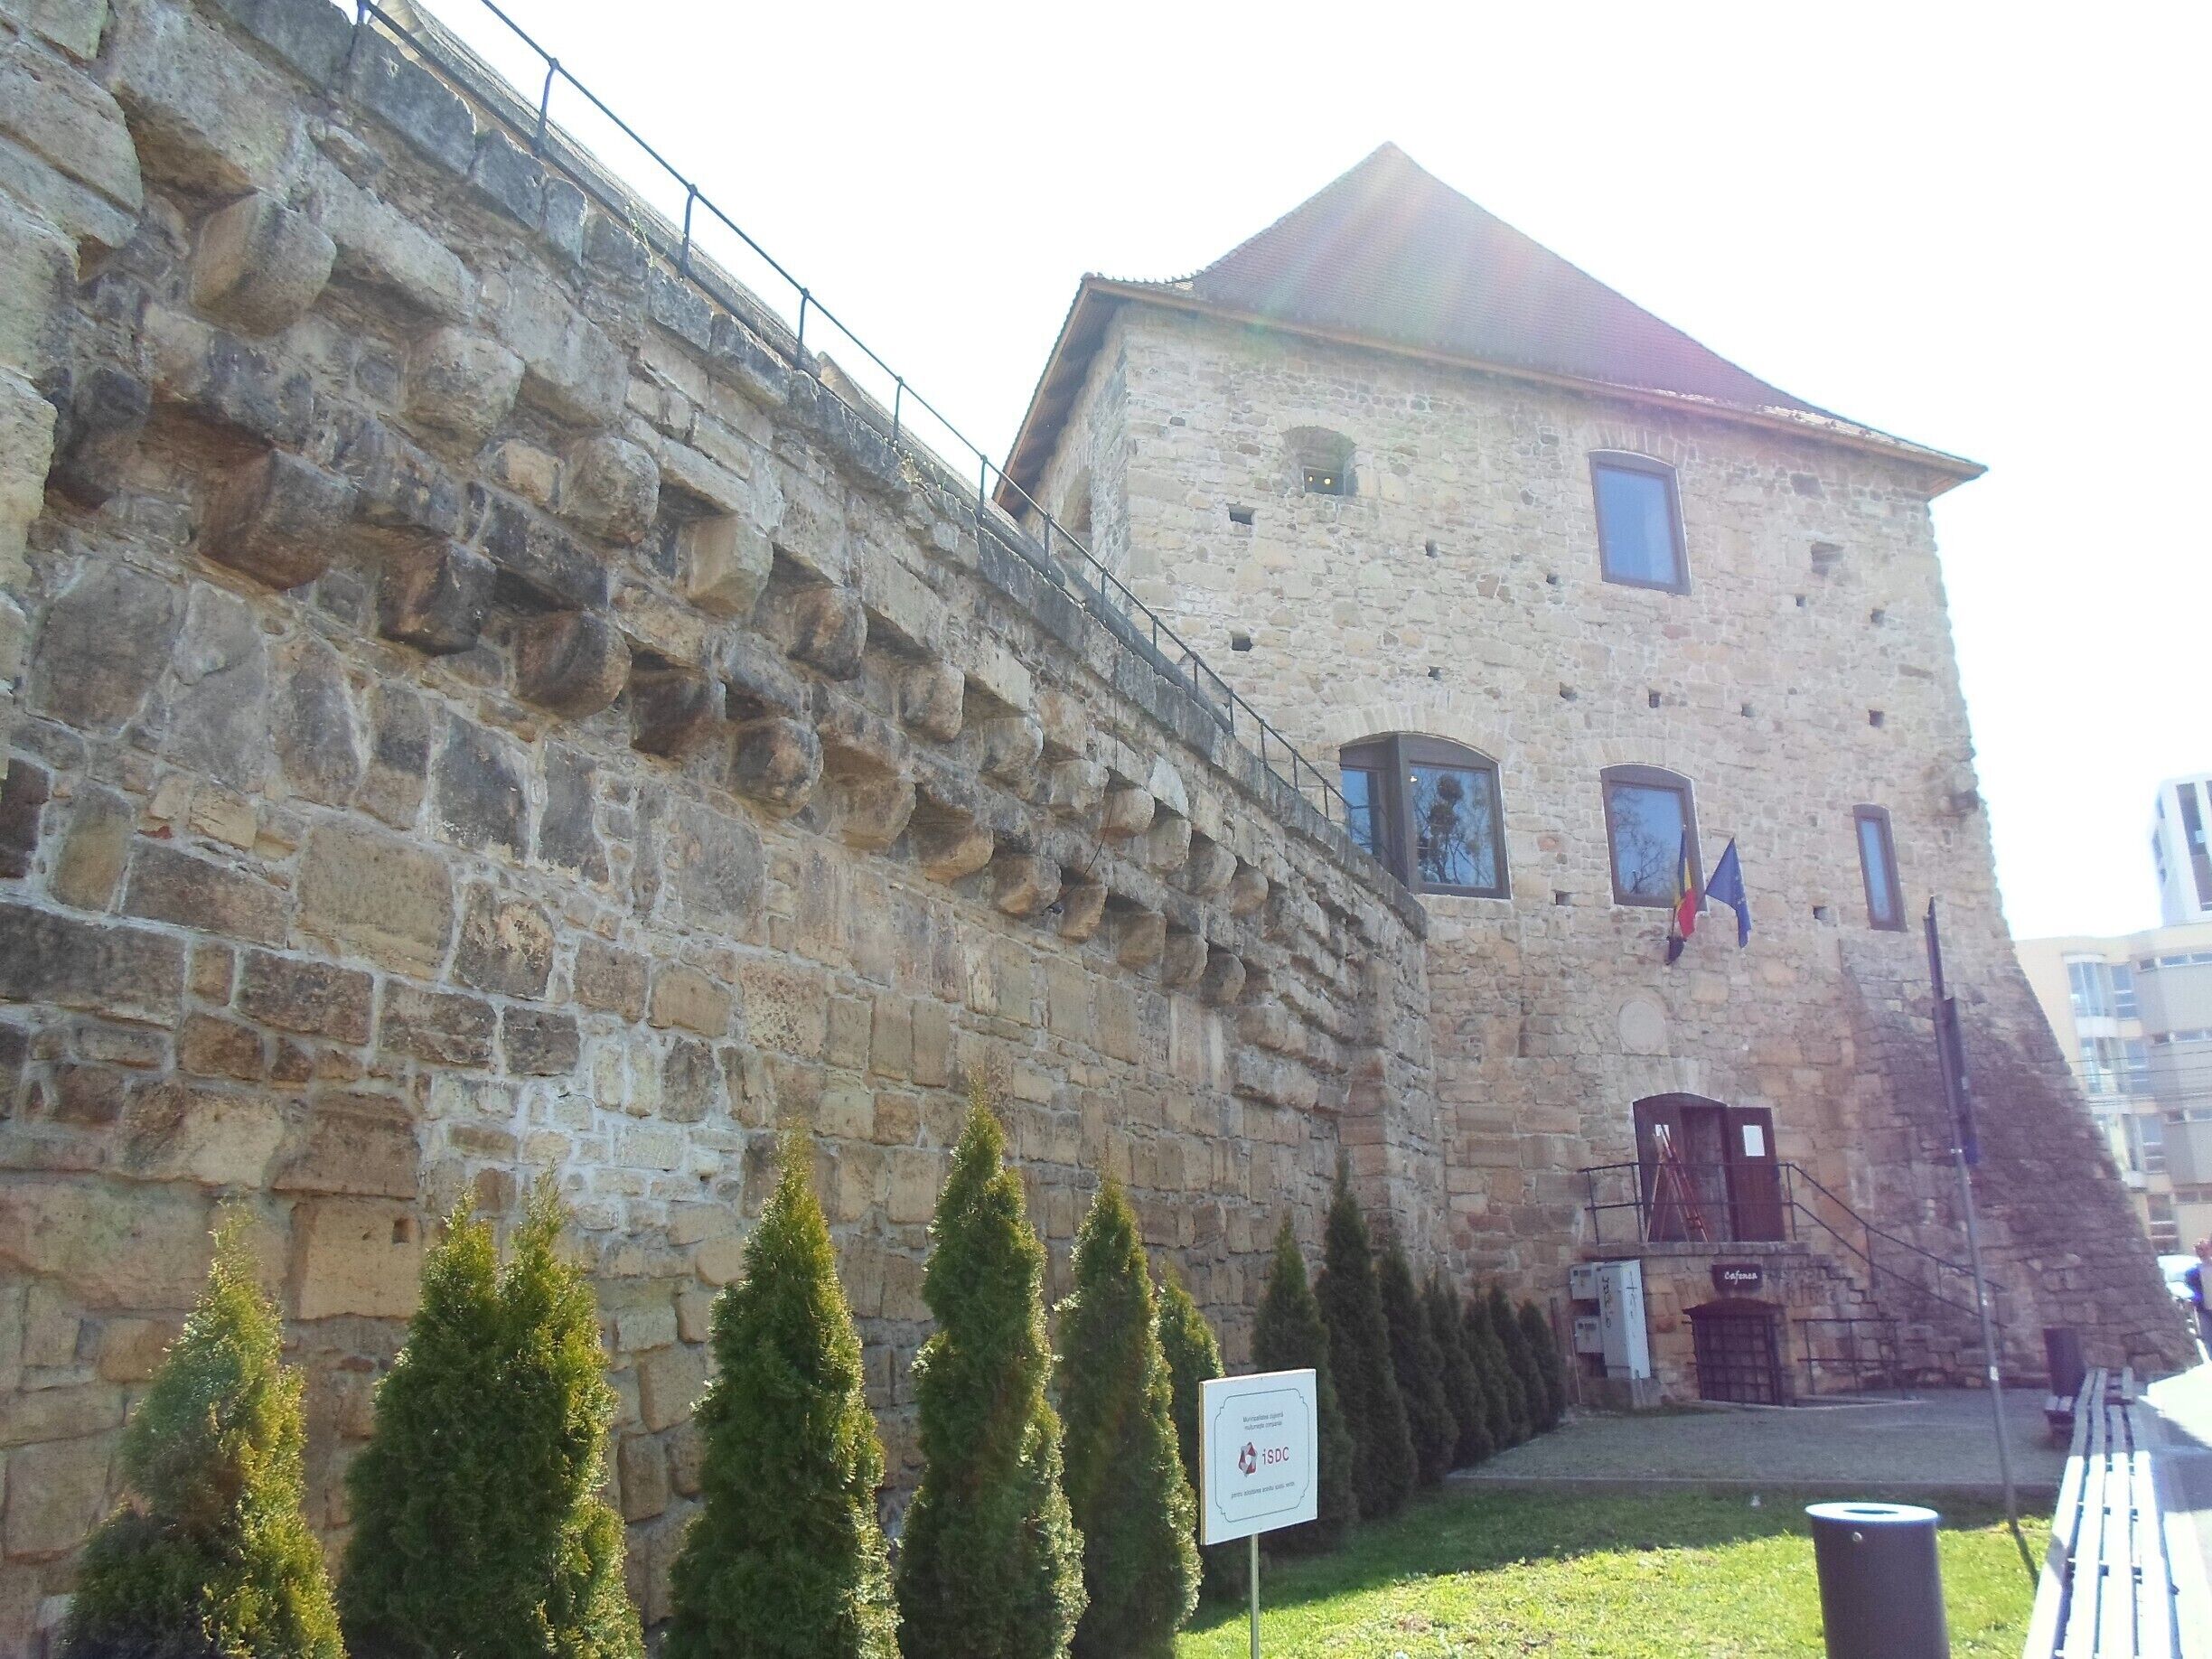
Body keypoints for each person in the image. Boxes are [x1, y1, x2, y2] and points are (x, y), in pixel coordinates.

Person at [2189, 1238, 2212, 1353]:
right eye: (2198, 1249)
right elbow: (2192, 1291)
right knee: (2208, 1340)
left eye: (2204, 1249)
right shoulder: (2193, 1272)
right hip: (2204, 1310)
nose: (2201, 1252)